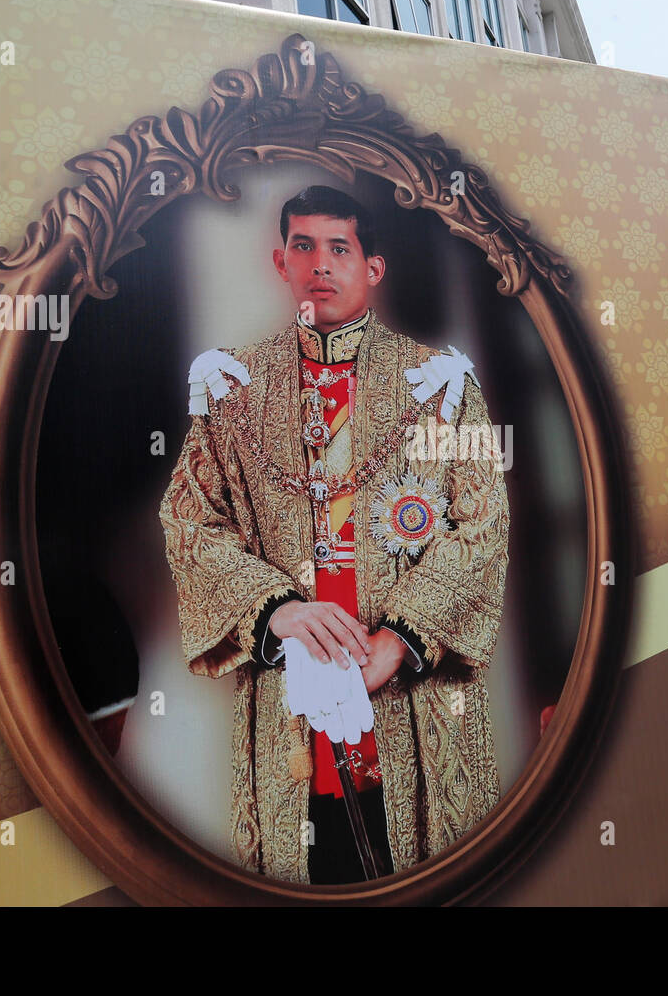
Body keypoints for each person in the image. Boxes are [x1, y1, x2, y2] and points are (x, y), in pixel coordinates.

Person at [159, 184, 509, 884]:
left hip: (411, 696)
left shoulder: (439, 382)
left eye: (339, 247)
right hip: (291, 699)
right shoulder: (232, 386)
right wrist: (278, 612)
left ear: (372, 267)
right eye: (303, 245)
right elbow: (188, 518)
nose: (321, 262)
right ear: (280, 262)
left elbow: (485, 522)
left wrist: (398, 640)